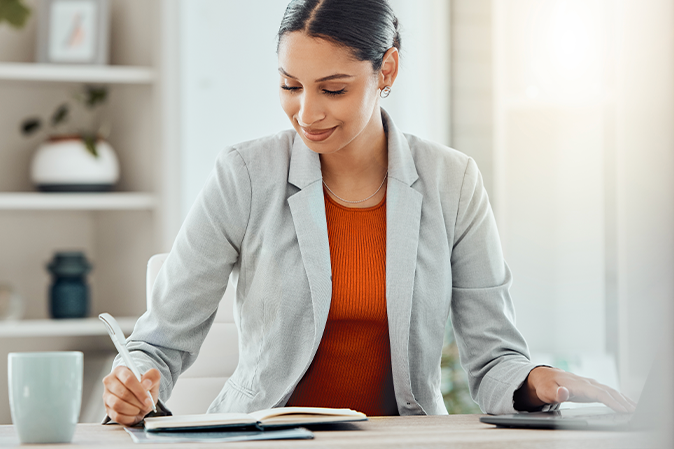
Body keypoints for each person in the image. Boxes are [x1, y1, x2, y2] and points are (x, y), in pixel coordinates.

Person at [102, 0, 635, 426]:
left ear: (387, 70)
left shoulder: (453, 181)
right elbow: (158, 343)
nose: (306, 113)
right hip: (263, 440)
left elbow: (495, 357)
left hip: (404, 439)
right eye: (290, 86)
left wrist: (533, 382)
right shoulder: (243, 174)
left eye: (333, 89)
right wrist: (132, 382)